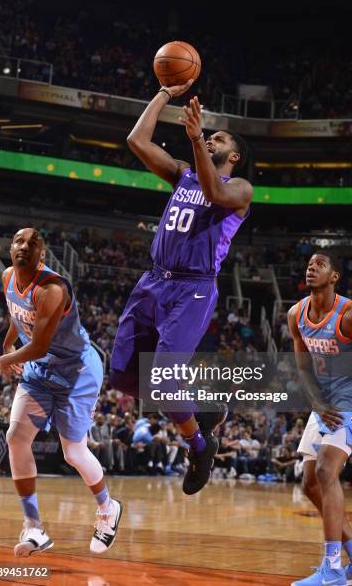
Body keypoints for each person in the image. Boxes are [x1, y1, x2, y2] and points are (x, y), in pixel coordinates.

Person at [110, 80, 252, 495]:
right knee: (122, 377)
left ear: (235, 155)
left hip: (192, 288)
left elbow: (214, 190)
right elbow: (136, 139)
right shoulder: (182, 174)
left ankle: (200, 447)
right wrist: (164, 94)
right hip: (153, 281)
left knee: (162, 378)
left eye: (219, 138)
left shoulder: (240, 189)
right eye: (209, 135)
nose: (211, 138)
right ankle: (204, 410)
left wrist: (194, 140)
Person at [0, 228, 122, 557]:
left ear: (43, 254)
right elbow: (19, 315)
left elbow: (38, 345)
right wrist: (9, 340)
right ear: (10, 248)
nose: (24, 247)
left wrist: (8, 357)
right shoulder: (8, 276)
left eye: (33, 244)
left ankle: (108, 509)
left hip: (77, 371)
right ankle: (34, 527)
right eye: (19, 242)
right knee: (15, 437)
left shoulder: (52, 289)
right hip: (42, 370)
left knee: (73, 453)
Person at [288, 251, 352, 586]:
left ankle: (332, 568)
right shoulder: (296, 314)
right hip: (325, 400)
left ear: (334, 277)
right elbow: (302, 367)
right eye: (309, 264)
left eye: (321, 264)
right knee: (309, 483)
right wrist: (316, 401)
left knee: (326, 470)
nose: (312, 267)